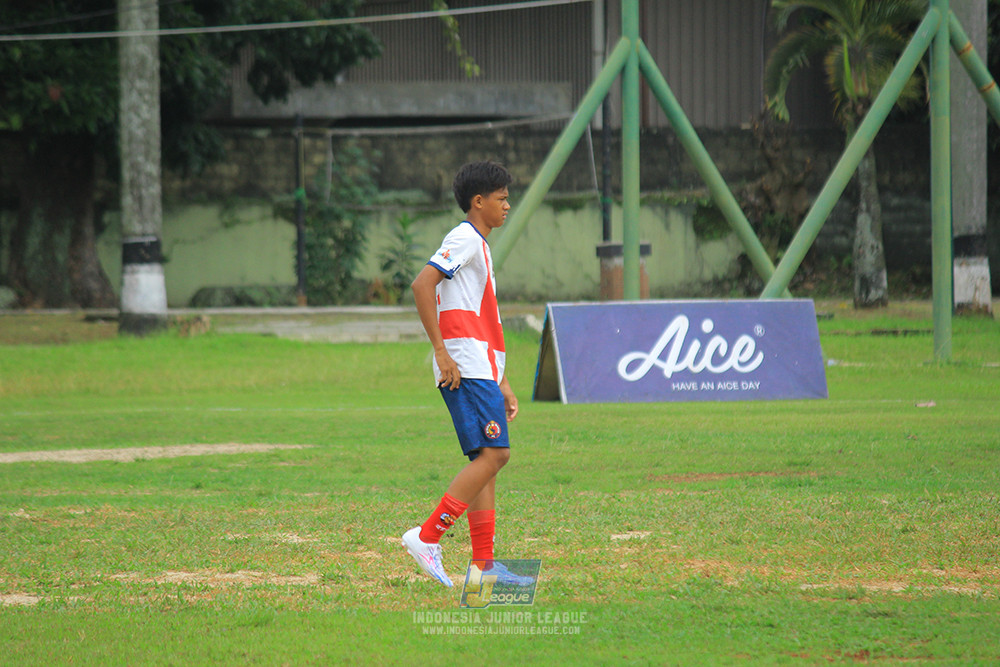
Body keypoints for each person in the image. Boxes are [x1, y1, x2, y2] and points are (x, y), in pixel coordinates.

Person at [402, 160, 530, 588]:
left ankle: (484, 567)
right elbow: (422, 284)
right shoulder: (464, 238)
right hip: (463, 366)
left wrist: (501, 379)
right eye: (501, 198)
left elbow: (482, 319)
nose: (507, 205)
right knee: (496, 455)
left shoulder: (480, 245)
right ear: (478, 201)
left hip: (480, 367)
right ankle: (427, 537)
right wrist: (442, 353)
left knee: (486, 459)